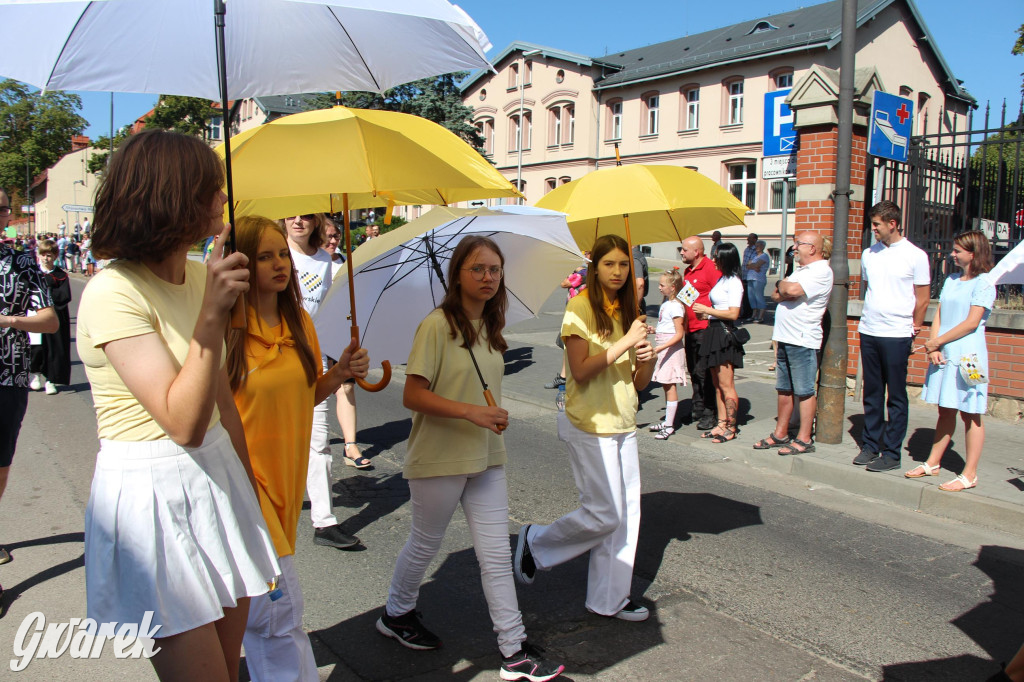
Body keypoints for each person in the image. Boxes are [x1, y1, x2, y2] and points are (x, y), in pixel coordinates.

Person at [75, 130, 280, 681]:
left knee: (230, 671)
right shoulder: (112, 292)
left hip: (216, 477)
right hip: (151, 494)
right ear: (175, 197)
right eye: (212, 190)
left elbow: (219, 407)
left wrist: (248, 488)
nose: (223, 201)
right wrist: (212, 316)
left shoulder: (197, 276)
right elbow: (182, 422)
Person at [377, 236, 564, 681]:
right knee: (425, 543)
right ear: (456, 274)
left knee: (496, 556)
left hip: (485, 456)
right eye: (477, 268)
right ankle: (396, 613)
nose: (487, 277)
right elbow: (412, 394)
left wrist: (490, 417)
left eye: (495, 270)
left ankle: (513, 650)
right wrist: (471, 411)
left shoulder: (490, 329)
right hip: (439, 457)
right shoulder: (436, 325)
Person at [227, 216, 369, 681]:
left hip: (287, 482)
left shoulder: (299, 320)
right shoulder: (226, 329)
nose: (279, 264)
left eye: (283, 254)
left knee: (266, 619)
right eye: (264, 256)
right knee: (278, 616)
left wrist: (341, 372)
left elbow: (306, 394)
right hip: (246, 487)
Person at [514, 234, 656, 623]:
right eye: (609, 263)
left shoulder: (630, 311)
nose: (617, 271)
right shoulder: (579, 307)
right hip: (589, 422)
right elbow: (579, 370)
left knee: (627, 518)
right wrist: (626, 341)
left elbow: (640, 382)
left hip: (624, 420)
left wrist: (648, 357)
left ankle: (609, 599)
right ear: (595, 268)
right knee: (604, 513)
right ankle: (537, 542)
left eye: (624, 264)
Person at [284, 213, 365, 547]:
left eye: (306, 215)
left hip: (313, 362)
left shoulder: (327, 260)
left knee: (317, 444)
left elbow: (333, 311)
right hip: (276, 358)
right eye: (292, 215)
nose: (299, 221)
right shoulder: (277, 253)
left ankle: (324, 522)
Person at [907, 231, 995, 492]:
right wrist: (934, 344)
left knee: (971, 413)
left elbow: (971, 323)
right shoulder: (952, 280)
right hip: (944, 351)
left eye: (957, 251)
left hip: (968, 356)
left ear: (973, 253)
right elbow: (940, 313)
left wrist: (937, 342)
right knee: (945, 409)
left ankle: (970, 474)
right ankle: (933, 462)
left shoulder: (985, 283)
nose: (952, 254)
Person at [0, 189, 57, 569]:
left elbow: (50, 321)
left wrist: (9, 320)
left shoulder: (21, 261)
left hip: (9, 373)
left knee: (1, 464)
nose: (2, 213)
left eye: (2, 207)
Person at [853, 201, 930, 472]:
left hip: (897, 333)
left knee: (896, 395)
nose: (872, 229)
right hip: (870, 330)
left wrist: (915, 327)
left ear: (892, 224)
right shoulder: (869, 254)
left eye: (877, 225)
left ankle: (892, 452)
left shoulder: (915, 255)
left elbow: (922, 298)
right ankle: (870, 444)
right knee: (872, 392)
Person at [753, 232, 834, 455]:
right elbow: (777, 295)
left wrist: (783, 286)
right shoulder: (800, 270)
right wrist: (783, 287)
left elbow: (791, 290)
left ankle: (804, 438)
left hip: (802, 339)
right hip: (785, 337)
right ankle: (781, 433)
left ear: (813, 248)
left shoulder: (821, 270)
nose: (794, 248)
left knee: (804, 390)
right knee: (784, 388)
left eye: (799, 244)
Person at [322, 218, 371, 470]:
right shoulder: (306, 263)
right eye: (328, 236)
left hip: (339, 332)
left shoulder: (344, 262)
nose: (333, 240)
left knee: (347, 388)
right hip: (311, 335)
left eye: (336, 236)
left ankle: (350, 445)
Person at [692, 242, 745, 443]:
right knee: (716, 384)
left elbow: (733, 312)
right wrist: (708, 315)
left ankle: (731, 427)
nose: (713, 260)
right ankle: (721, 423)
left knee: (726, 384)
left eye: (717, 257)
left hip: (724, 334)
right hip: (714, 330)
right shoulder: (723, 279)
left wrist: (708, 311)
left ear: (726, 259)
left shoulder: (734, 282)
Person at [679, 236, 722, 430]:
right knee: (694, 371)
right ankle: (697, 406)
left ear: (696, 251)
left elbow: (720, 295)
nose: (681, 252)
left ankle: (709, 413)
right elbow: (688, 297)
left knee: (704, 373)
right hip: (691, 328)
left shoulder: (711, 268)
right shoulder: (688, 271)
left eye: (684, 249)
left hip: (705, 329)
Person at [648, 269, 687, 440]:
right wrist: (655, 330)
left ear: (672, 287)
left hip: (670, 350)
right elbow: (667, 328)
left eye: (662, 285)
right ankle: (667, 421)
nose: (659, 287)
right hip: (664, 347)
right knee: (665, 384)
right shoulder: (666, 304)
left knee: (670, 385)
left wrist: (660, 348)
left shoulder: (677, 306)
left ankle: (670, 425)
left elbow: (679, 334)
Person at [29, 239, 72, 395]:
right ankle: (36, 376)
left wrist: (48, 297)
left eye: (49, 255)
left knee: (54, 349)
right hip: (35, 315)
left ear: (55, 256)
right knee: (36, 348)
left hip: (55, 316)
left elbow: (64, 296)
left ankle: (51, 380)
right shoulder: (32, 273)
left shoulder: (60, 275)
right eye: (43, 255)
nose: (46, 258)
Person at [544, 254, 589, 390]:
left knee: (570, 346)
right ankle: (565, 377)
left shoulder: (583, 273)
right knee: (567, 346)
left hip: (577, 315)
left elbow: (564, 283)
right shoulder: (584, 272)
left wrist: (568, 270)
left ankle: (566, 379)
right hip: (575, 313)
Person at [745, 240, 770, 323]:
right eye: (756, 246)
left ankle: (760, 316)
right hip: (750, 277)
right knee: (751, 297)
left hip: (758, 279)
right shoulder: (755, 256)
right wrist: (753, 266)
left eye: (758, 246)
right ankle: (754, 314)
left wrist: (753, 265)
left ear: (762, 246)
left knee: (759, 297)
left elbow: (756, 265)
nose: (756, 247)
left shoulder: (764, 256)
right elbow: (747, 266)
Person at [740, 233, 758, 321]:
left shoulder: (756, 250)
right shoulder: (747, 249)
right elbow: (745, 262)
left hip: (751, 276)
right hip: (744, 274)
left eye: (749, 238)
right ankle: (745, 312)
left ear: (754, 239)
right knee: (744, 295)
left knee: (750, 295)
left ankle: (750, 313)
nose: (747, 240)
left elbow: (752, 263)